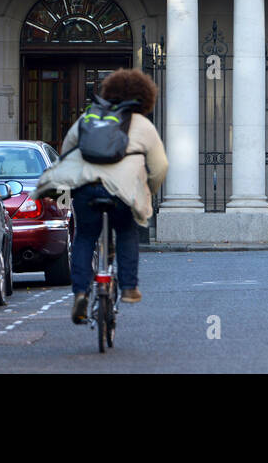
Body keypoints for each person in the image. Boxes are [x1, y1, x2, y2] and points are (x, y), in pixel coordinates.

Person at [32, 68, 168, 323]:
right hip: (122, 192)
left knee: (84, 236)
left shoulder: (89, 117)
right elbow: (160, 166)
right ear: (144, 97)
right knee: (126, 232)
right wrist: (147, 190)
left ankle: (81, 293)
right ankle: (128, 287)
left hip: (87, 187)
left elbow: (68, 151)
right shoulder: (142, 124)